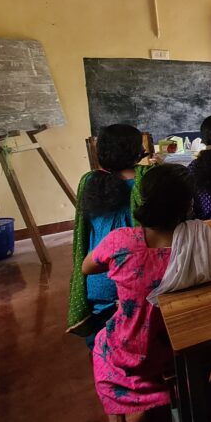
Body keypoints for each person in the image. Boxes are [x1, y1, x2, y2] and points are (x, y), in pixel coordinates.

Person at [82, 164, 211, 422]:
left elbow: (87, 267)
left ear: (144, 200)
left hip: (132, 346)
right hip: (182, 341)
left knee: (100, 344)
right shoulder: (199, 237)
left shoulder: (122, 242)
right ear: (188, 203)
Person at [67, 124, 146, 340]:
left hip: (98, 277)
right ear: (137, 151)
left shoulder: (89, 181)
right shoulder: (145, 179)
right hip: (136, 280)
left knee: (105, 340)